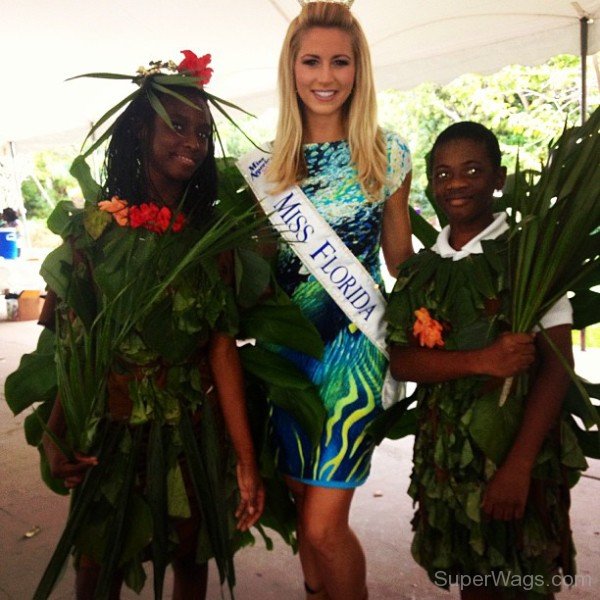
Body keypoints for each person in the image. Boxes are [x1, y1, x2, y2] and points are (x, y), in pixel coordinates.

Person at [39, 52, 264, 599]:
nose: (193, 140)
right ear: (140, 128)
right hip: (110, 429)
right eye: (178, 125)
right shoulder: (93, 230)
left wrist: (245, 459)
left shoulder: (211, 241)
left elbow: (221, 350)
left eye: (203, 131)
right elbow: (75, 346)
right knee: (98, 565)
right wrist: (54, 434)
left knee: (190, 558)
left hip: (190, 427)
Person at [386, 122, 583, 599]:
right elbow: (403, 362)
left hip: (519, 453)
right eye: (443, 174)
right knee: (475, 582)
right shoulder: (421, 270)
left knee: (523, 580)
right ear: (431, 185)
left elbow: (557, 368)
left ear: (498, 178)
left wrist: (517, 466)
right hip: (447, 459)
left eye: (472, 170)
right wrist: (484, 361)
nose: (456, 184)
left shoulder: (527, 255)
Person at [263, 3, 412, 599]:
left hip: (353, 358)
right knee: (303, 507)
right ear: (291, 69)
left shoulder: (386, 153)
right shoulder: (269, 165)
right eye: (312, 61)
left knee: (325, 526)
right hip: (286, 355)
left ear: (359, 69)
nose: (326, 76)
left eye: (341, 61)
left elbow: (401, 261)